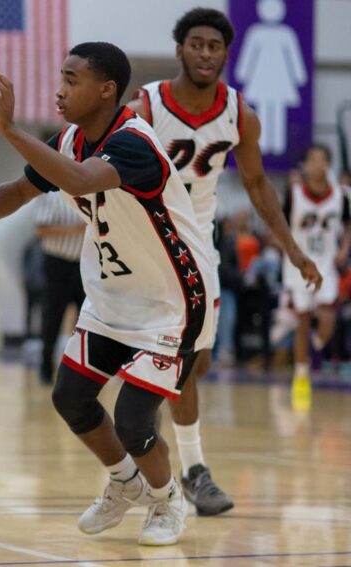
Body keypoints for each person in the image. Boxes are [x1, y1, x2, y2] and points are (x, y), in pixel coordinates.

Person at [0, 42, 216, 546]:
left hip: (171, 303)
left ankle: (168, 502)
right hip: (112, 298)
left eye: (71, 79)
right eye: (60, 77)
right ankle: (126, 483)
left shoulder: (134, 143)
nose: (59, 89)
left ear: (106, 90)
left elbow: (83, 180)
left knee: (133, 419)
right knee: (70, 396)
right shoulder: (69, 141)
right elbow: (20, 191)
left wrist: (11, 130)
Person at [128, 7, 322, 516]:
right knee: (176, 360)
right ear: (180, 50)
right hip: (146, 243)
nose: (205, 53)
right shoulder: (146, 104)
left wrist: (292, 249)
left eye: (214, 46)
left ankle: (154, 443)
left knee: (198, 360)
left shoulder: (240, 112)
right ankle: (190, 469)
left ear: (225, 54)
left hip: (198, 245)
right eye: (197, 44)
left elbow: (258, 186)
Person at [283, 144, 351, 411]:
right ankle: (301, 377)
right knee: (302, 320)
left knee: (328, 318)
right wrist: (287, 249)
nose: (316, 164)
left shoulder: (341, 196)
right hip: (299, 264)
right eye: (312, 159)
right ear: (306, 164)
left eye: (322, 160)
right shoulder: (294, 193)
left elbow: (347, 225)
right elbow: (280, 222)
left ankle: (316, 344)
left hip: (326, 264)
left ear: (328, 165)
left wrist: (344, 249)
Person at [34, 191, 86, 384]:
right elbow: (41, 229)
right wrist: (75, 229)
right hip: (58, 263)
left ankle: (83, 370)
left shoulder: (92, 193)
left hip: (85, 265)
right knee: (52, 318)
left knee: (87, 320)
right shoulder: (52, 195)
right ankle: (46, 367)